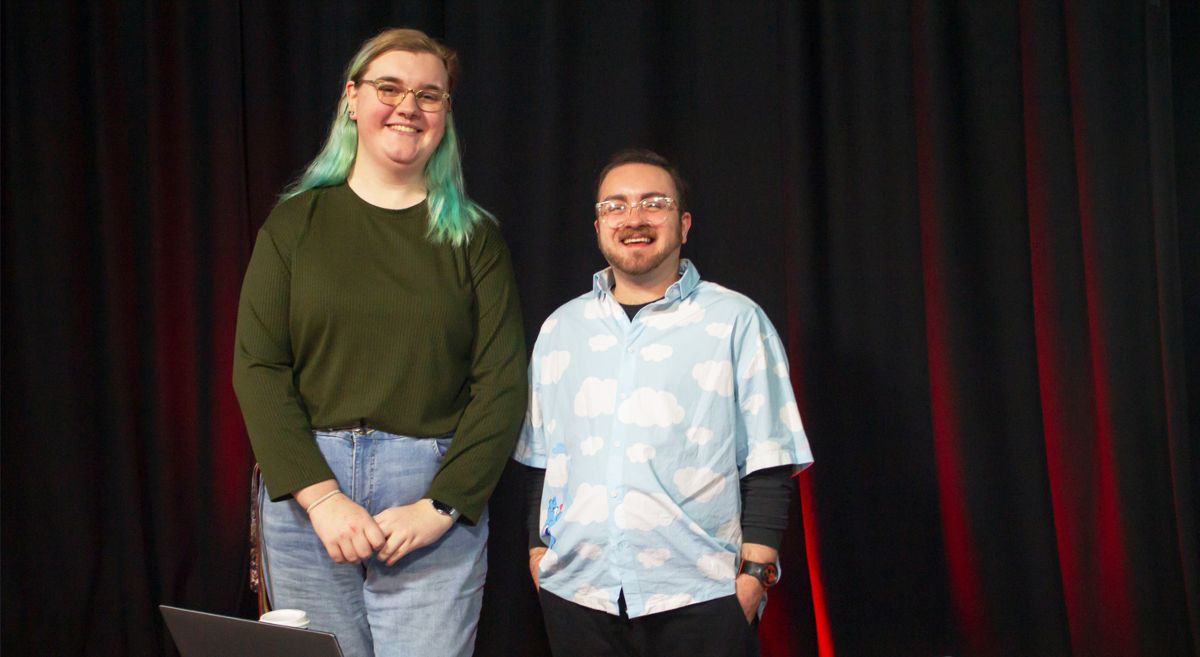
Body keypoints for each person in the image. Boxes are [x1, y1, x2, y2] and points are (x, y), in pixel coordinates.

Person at [232, 27, 526, 657]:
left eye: (429, 94)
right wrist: (322, 497)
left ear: (445, 114)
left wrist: (441, 506)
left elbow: (502, 386)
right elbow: (258, 368)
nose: (408, 106)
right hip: (308, 498)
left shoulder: (475, 240)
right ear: (351, 99)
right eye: (389, 87)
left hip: (430, 494)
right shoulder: (293, 225)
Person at [514, 149, 813, 657]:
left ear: (684, 223)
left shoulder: (736, 321)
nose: (634, 218)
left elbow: (770, 458)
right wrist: (538, 554)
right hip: (578, 593)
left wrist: (756, 577)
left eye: (654, 203)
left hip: (701, 596)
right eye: (616, 206)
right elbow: (541, 457)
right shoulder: (561, 329)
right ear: (598, 224)